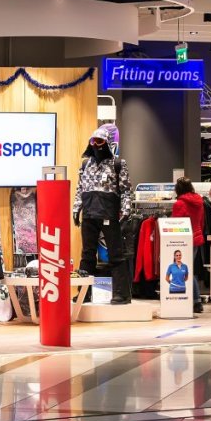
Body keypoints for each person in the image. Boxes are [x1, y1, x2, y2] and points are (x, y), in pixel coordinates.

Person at [72, 126, 134, 305]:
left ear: (108, 143)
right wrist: (76, 208)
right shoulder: (85, 165)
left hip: (109, 214)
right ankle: (84, 294)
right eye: (93, 141)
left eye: (100, 141)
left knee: (116, 255)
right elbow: (80, 188)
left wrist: (126, 210)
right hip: (89, 215)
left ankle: (121, 294)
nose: (96, 145)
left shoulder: (117, 164)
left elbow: (126, 190)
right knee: (87, 255)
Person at [171, 177, 205, 312]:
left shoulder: (179, 204)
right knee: (188, 268)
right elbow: (201, 221)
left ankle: (196, 301)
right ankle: (195, 301)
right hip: (196, 237)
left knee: (184, 270)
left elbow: (175, 224)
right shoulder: (199, 202)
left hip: (183, 239)